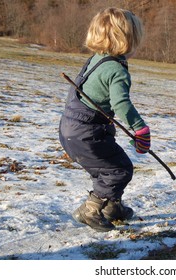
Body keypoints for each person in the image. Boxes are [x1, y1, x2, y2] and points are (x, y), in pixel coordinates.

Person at [59, 7, 150, 232]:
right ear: (127, 39)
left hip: (71, 128)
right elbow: (121, 104)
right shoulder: (116, 70)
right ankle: (91, 209)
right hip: (87, 132)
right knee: (119, 170)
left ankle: (112, 208)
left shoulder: (96, 59)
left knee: (107, 168)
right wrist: (140, 129)